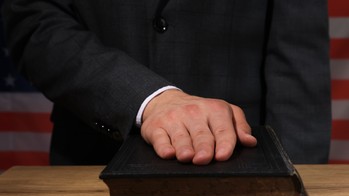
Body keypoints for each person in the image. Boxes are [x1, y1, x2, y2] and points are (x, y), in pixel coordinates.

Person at [2, 0, 331, 165]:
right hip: (91, 163)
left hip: (243, 166)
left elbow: (297, 54)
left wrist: (292, 189)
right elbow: (34, 20)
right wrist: (149, 98)